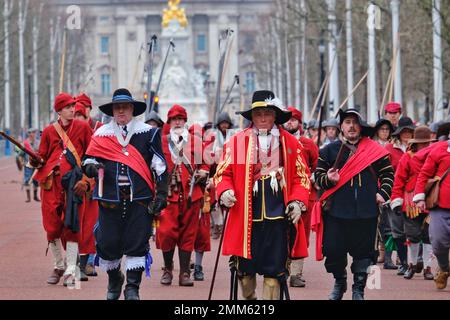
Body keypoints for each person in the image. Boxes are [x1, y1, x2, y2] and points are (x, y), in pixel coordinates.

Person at [214, 90, 311, 300]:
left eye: (267, 113)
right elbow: (223, 174)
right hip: (246, 218)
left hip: (277, 219)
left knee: (274, 273)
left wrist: (297, 201)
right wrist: (224, 191)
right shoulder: (238, 142)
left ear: (275, 115)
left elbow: (301, 178)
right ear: (252, 116)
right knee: (245, 273)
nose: (263, 118)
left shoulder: (291, 143)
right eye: (258, 114)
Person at [83, 88, 168, 300]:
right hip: (109, 199)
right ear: (112, 110)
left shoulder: (148, 133)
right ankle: (114, 282)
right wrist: (91, 168)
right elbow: (88, 160)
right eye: (117, 107)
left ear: (132, 109)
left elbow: (160, 167)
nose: (121, 111)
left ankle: (132, 288)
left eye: (125, 107)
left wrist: (161, 196)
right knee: (107, 243)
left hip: (138, 199)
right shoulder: (101, 133)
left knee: (137, 243)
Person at [313, 108, 394, 300]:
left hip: (366, 211)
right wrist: (328, 179)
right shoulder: (328, 151)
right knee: (333, 250)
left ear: (361, 126)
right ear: (341, 126)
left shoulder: (375, 150)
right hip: (336, 211)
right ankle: (339, 282)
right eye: (347, 122)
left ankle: (359, 289)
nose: (351, 126)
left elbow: (388, 174)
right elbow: (318, 178)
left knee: (364, 254)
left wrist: (383, 193)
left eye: (355, 122)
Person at [31, 93, 93, 286]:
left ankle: (71, 269)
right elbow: (41, 156)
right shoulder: (49, 131)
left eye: (73, 106)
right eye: (67, 107)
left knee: (73, 227)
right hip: (51, 185)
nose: (72, 109)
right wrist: (34, 159)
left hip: (74, 185)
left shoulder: (83, 127)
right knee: (52, 227)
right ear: (59, 110)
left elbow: (91, 156)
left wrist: (87, 181)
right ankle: (58, 265)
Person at [156, 104, 209, 287]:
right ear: (169, 122)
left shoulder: (195, 141)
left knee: (188, 234)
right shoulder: (161, 141)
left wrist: (203, 172)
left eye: (180, 119)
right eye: (174, 119)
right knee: (165, 232)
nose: (177, 122)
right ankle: (168, 269)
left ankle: (185, 273)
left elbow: (205, 164)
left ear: (185, 121)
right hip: (169, 194)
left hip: (191, 194)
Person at [391, 126, 436, 281]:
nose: (425, 146)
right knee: (412, 235)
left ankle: (428, 268)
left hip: (431, 200)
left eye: (427, 143)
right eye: (422, 143)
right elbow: (399, 180)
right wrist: (396, 199)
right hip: (410, 201)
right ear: (415, 143)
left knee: (429, 236)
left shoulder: (435, 157)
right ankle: (411, 265)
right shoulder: (407, 157)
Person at [284, 107, 319, 288]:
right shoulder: (278, 142)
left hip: (304, 194)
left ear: (299, 123)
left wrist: (312, 177)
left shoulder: (307, 143)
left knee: (301, 234)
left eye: (294, 120)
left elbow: (317, 166)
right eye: (287, 120)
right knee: (282, 233)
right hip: (282, 193)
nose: (290, 123)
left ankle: (296, 273)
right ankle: (284, 268)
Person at [414, 120, 450, 290]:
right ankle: (444, 267)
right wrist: (420, 197)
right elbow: (424, 173)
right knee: (438, 242)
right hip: (440, 205)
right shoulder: (440, 149)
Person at [385, 117, 416, 275]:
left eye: (409, 132)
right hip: (394, 192)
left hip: (413, 194)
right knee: (397, 229)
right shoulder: (389, 148)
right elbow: (383, 171)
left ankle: (413, 262)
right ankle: (403, 262)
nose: (407, 134)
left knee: (415, 230)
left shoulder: (418, 148)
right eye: (404, 132)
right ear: (399, 133)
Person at [22, 128, 40, 202]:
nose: (32, 134)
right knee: (27, 180)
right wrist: (21, 162)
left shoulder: (38, 143)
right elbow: (19, 154)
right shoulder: (25, 143)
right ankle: (28, 197)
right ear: (28, 134)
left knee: (36, 180)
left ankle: (35, 196)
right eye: (30, 133)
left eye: (33, 133)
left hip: (36, 165)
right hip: (28, 164)